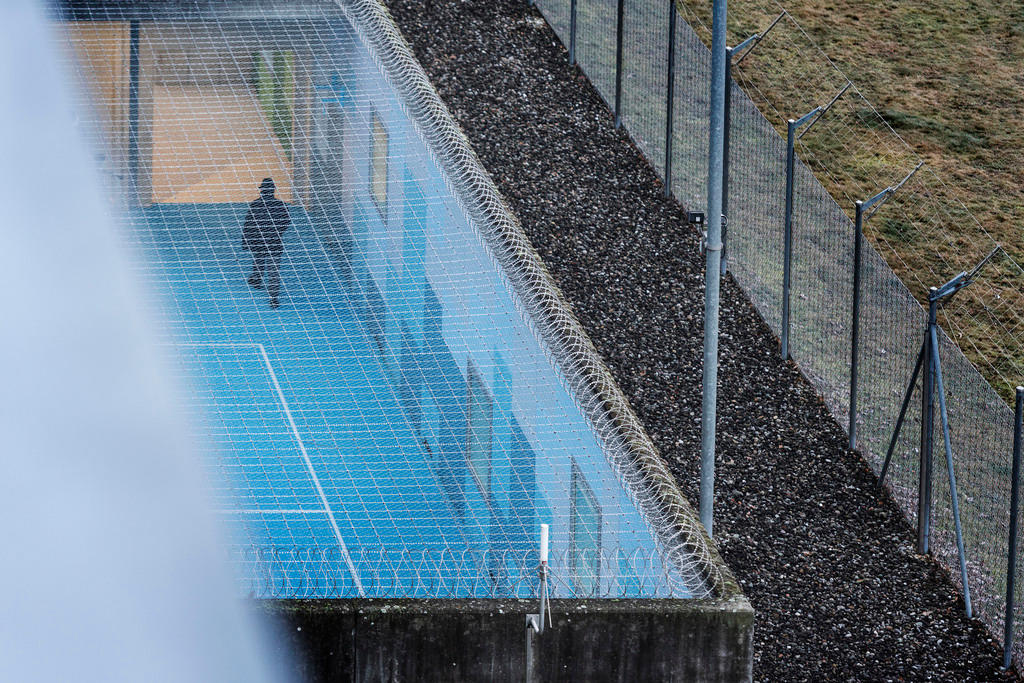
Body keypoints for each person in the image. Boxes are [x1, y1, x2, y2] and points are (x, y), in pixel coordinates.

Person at [242, 178, 290, 308]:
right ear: (273, 190)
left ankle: (257, 279)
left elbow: (248, 224)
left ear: (262, 191)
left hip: (258, 240)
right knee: (273, 270)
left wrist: (246, 241)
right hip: (274, 242)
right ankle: (273, 298)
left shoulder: (255, 205)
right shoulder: (281, 206)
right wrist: (276, 232)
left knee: (258, 260)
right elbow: (286, 222)